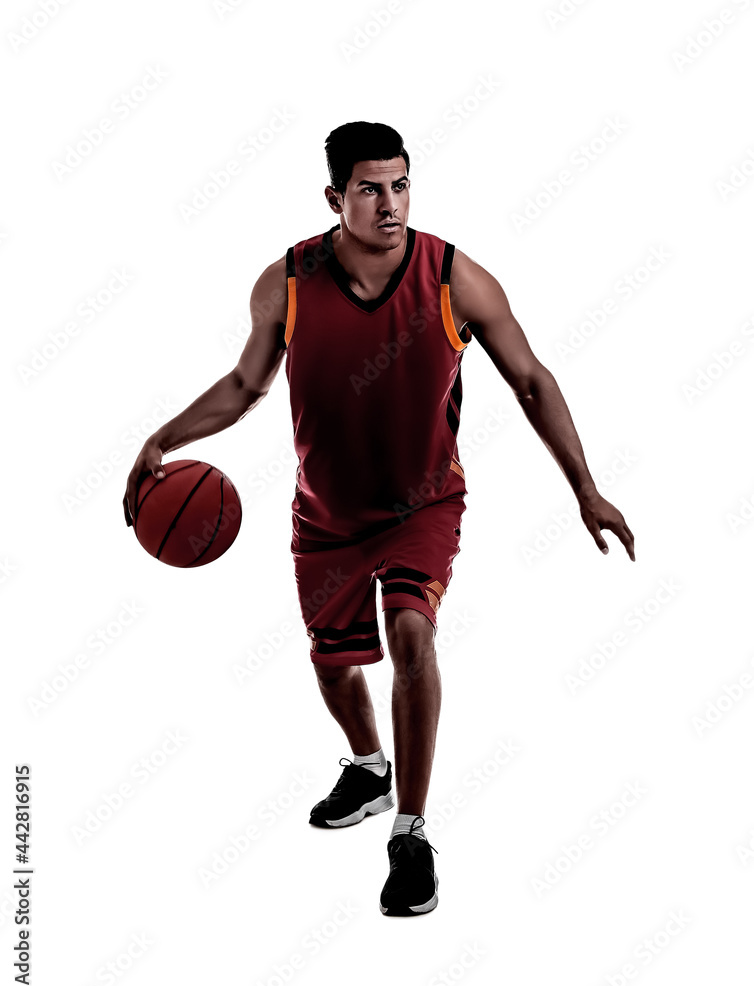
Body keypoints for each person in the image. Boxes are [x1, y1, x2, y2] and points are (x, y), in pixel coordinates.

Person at [123, 121, 635, 917]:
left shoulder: (453, 278)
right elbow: (243, 385)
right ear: (336, 197)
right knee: (333, 665)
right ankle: (368, 767)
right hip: (325, 515)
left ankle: (412, 833)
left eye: (400, 185)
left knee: (410, 635)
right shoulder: (286, 282)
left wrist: (586, 488)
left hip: (422, 505)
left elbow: (531, 379)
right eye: (370, 188)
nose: (390, 203)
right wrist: (164, 435)